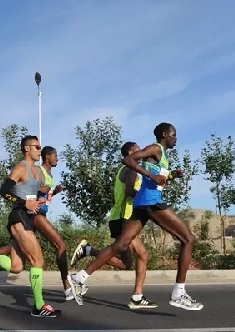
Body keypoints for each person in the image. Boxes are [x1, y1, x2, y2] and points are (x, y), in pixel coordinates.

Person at [68, 123, 203, 311]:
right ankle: (178, 293)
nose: (176, 138)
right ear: (165, 135)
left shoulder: (161, 156)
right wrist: (150, 175)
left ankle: (79, 277)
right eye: (173, 135)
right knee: (188, 239)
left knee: (121, 245)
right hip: (151, 202)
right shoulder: (156, 148)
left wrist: (172, 175)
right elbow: (129, 160)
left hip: (141, 204)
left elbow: (155, 179)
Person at [0, 135, 61, 318]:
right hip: (19, 216)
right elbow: (3, 190)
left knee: (16, 267)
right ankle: (39, 306)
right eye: (37, 147)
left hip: (29, 218)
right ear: (27, 148)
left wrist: (42, 197)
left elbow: (37, 192)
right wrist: (25, 203)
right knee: (37, 261)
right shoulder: (20, 167)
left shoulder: (38, 172)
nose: (40, 150)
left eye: (40, 147)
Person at [0, 146, 79, 300]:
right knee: (58, 247)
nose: (57, 158)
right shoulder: (37, 170)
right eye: (55, 155)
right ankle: (65, 287)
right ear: (47, 156)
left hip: (35, 212)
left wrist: (53, 192)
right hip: (33, 214)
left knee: (16, 265)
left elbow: (42, 195)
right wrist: (36, 195)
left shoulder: (46, 173)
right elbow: (20, 191)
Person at [69, 141, 157, 309]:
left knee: (126, 264)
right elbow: (130, 192)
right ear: (131, 151)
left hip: (120, 218)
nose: (142, 151)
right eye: (139, 149)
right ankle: (137, 297)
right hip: (125, 219)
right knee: (143, 255)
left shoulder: (124, 169)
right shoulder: (131, 169)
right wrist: (148, 198)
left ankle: (89, 250)